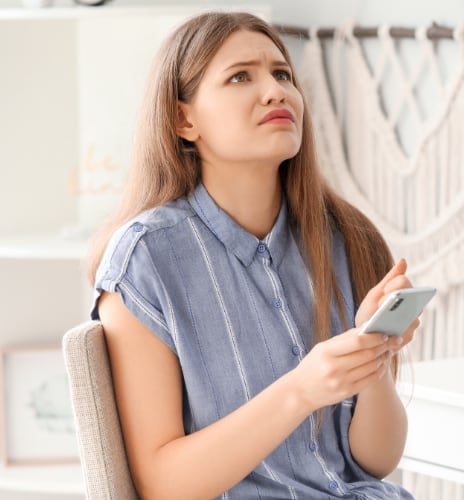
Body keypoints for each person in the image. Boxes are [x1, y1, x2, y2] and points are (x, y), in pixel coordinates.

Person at [88, 11, 417, 499]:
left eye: (282, 74)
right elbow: (162, 485)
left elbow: (374, 462)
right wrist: (302, 390)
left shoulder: (347, 238)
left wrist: (373, 363)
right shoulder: (146, 260)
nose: (275, 91)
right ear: (184, 119)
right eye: (241, 76)